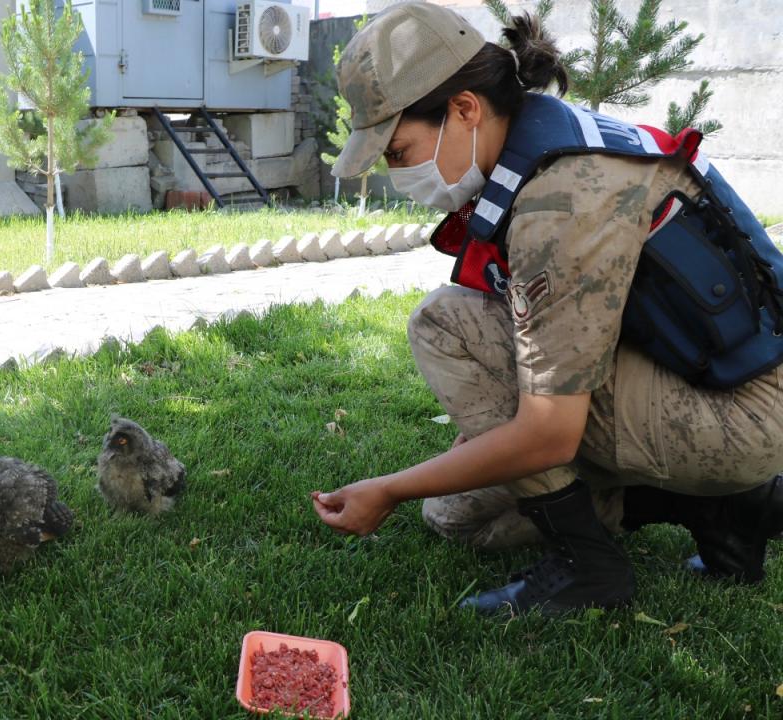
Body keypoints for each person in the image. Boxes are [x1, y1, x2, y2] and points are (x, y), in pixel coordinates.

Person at [311, 2, 783, 616]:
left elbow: (548, 433)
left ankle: (587, 564)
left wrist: (388, 490)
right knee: (454, 516)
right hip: (705, 379)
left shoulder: (560, 202)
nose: (396, 172)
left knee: (444, 324)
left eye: (398, 151)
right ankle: (720, 509)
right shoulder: (543, 142)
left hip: (743, 415)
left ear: (464, 109)